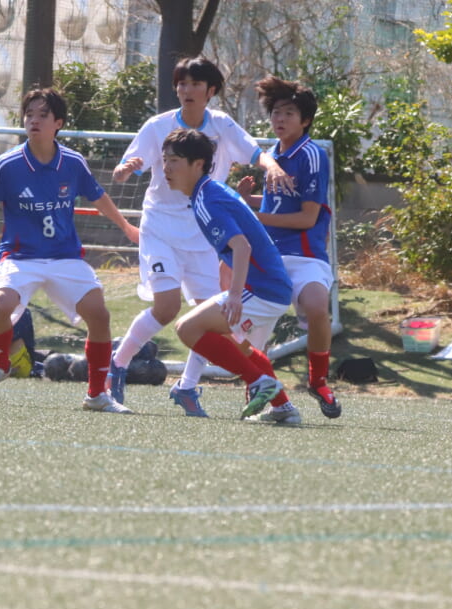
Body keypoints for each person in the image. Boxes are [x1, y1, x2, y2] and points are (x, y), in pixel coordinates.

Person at [108, 56, 292, 417]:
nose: (186, 90)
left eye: (195, 83)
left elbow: (256, 153)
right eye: (181, 83)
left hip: (206, 231)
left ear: (211, 91)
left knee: (210, 321)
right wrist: (124, 169)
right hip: (161, 227)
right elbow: (123, 169)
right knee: (168, 308)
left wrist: (272, 166)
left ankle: (188, 386)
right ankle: (118, 365)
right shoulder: (158, 126)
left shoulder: (221, 129)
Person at [0, 87, 138, 413]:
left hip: (65, 257)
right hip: (19, 257)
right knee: (2, 304)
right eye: (29, 114)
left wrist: (126, 227)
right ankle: (0, 366)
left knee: (99, 314)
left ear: (58, 123)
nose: (33, 120)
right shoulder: (7, 164)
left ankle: (96, 395)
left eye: (42, 115)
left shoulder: (73, 163)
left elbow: (99, 197)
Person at [162, 128, 297, 421]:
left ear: (198, 164)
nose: (166, 168)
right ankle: (283, 408)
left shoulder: (207, 199)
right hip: (269, 287)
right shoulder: (209, 192)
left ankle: (260, 382)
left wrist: (234, 295)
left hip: (262, 289)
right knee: (238, 345)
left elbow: (241, 246)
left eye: (174, 161)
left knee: (187, 329)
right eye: (164, 160)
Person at [237, 76, 341, 419]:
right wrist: (248, 200)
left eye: (289, 113)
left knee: (317, 307)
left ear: (305, 120)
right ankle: (259, 386)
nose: (279, 119)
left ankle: (318, 381)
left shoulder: (312, 155)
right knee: (245, 328)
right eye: (276, 113)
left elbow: (307, 218)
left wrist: (254, 217)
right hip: (269, 255)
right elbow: (277, 204)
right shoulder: (272, 156)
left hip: (305, 255)